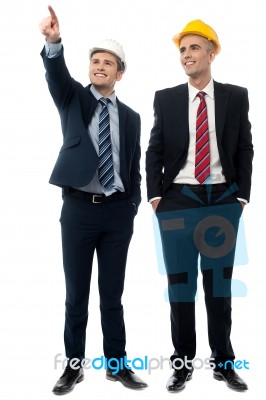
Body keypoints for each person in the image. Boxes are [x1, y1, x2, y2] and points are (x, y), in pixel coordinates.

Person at [39, 5, 147, 395]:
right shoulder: (73, 99)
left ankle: (116, 366)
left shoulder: (133, 117)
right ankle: (73, 367)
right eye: (95, 61)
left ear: (120, 73)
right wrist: (54, 42)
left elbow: (134, 166)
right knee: (76, 296)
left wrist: (132, 205)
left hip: (118, 214)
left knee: (112, 296)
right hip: (78, 212)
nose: (99, 67)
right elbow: (56, 73)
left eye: (108, 63)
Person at [146, 20, 253, 392]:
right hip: (177, 199)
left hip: (222, 199)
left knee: (218, 287)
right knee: (180, 287)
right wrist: (155, 196)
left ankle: (224, 363)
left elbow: (244, 147)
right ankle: (182, 364)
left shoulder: (235, 96)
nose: (186, 55)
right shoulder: (166, 97)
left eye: (193, 48)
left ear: (211, 52)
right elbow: (155, 148)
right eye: (182, 50)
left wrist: (242, 196)